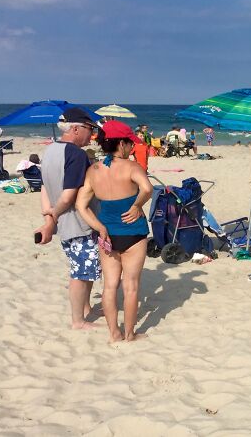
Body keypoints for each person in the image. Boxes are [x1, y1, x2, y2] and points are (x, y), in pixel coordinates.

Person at [75, 120, 152, 343]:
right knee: (131, 286)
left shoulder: (94, 170)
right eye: (130, 144)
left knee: (109, 287)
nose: (131, 148)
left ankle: (114, 334)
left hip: (107, 234)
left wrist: (99, 227)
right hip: (133, 232)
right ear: (121, 144)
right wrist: (137, 205)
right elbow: (147, 188)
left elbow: (81, 205)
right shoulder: (132, 167)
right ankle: (130, 334)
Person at [36, 108, 101, 330]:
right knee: (80, 272)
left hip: (64, 222)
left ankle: (86, 309)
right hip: (77, 222)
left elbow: (43, 188)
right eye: (89, 129)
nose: (91, 135)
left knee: (87, 268)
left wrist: (49, 217)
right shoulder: (76, 154)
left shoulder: (51, 150)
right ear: (75, 128)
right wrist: (53, 215)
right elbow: (69, 195)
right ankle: (78, 321)